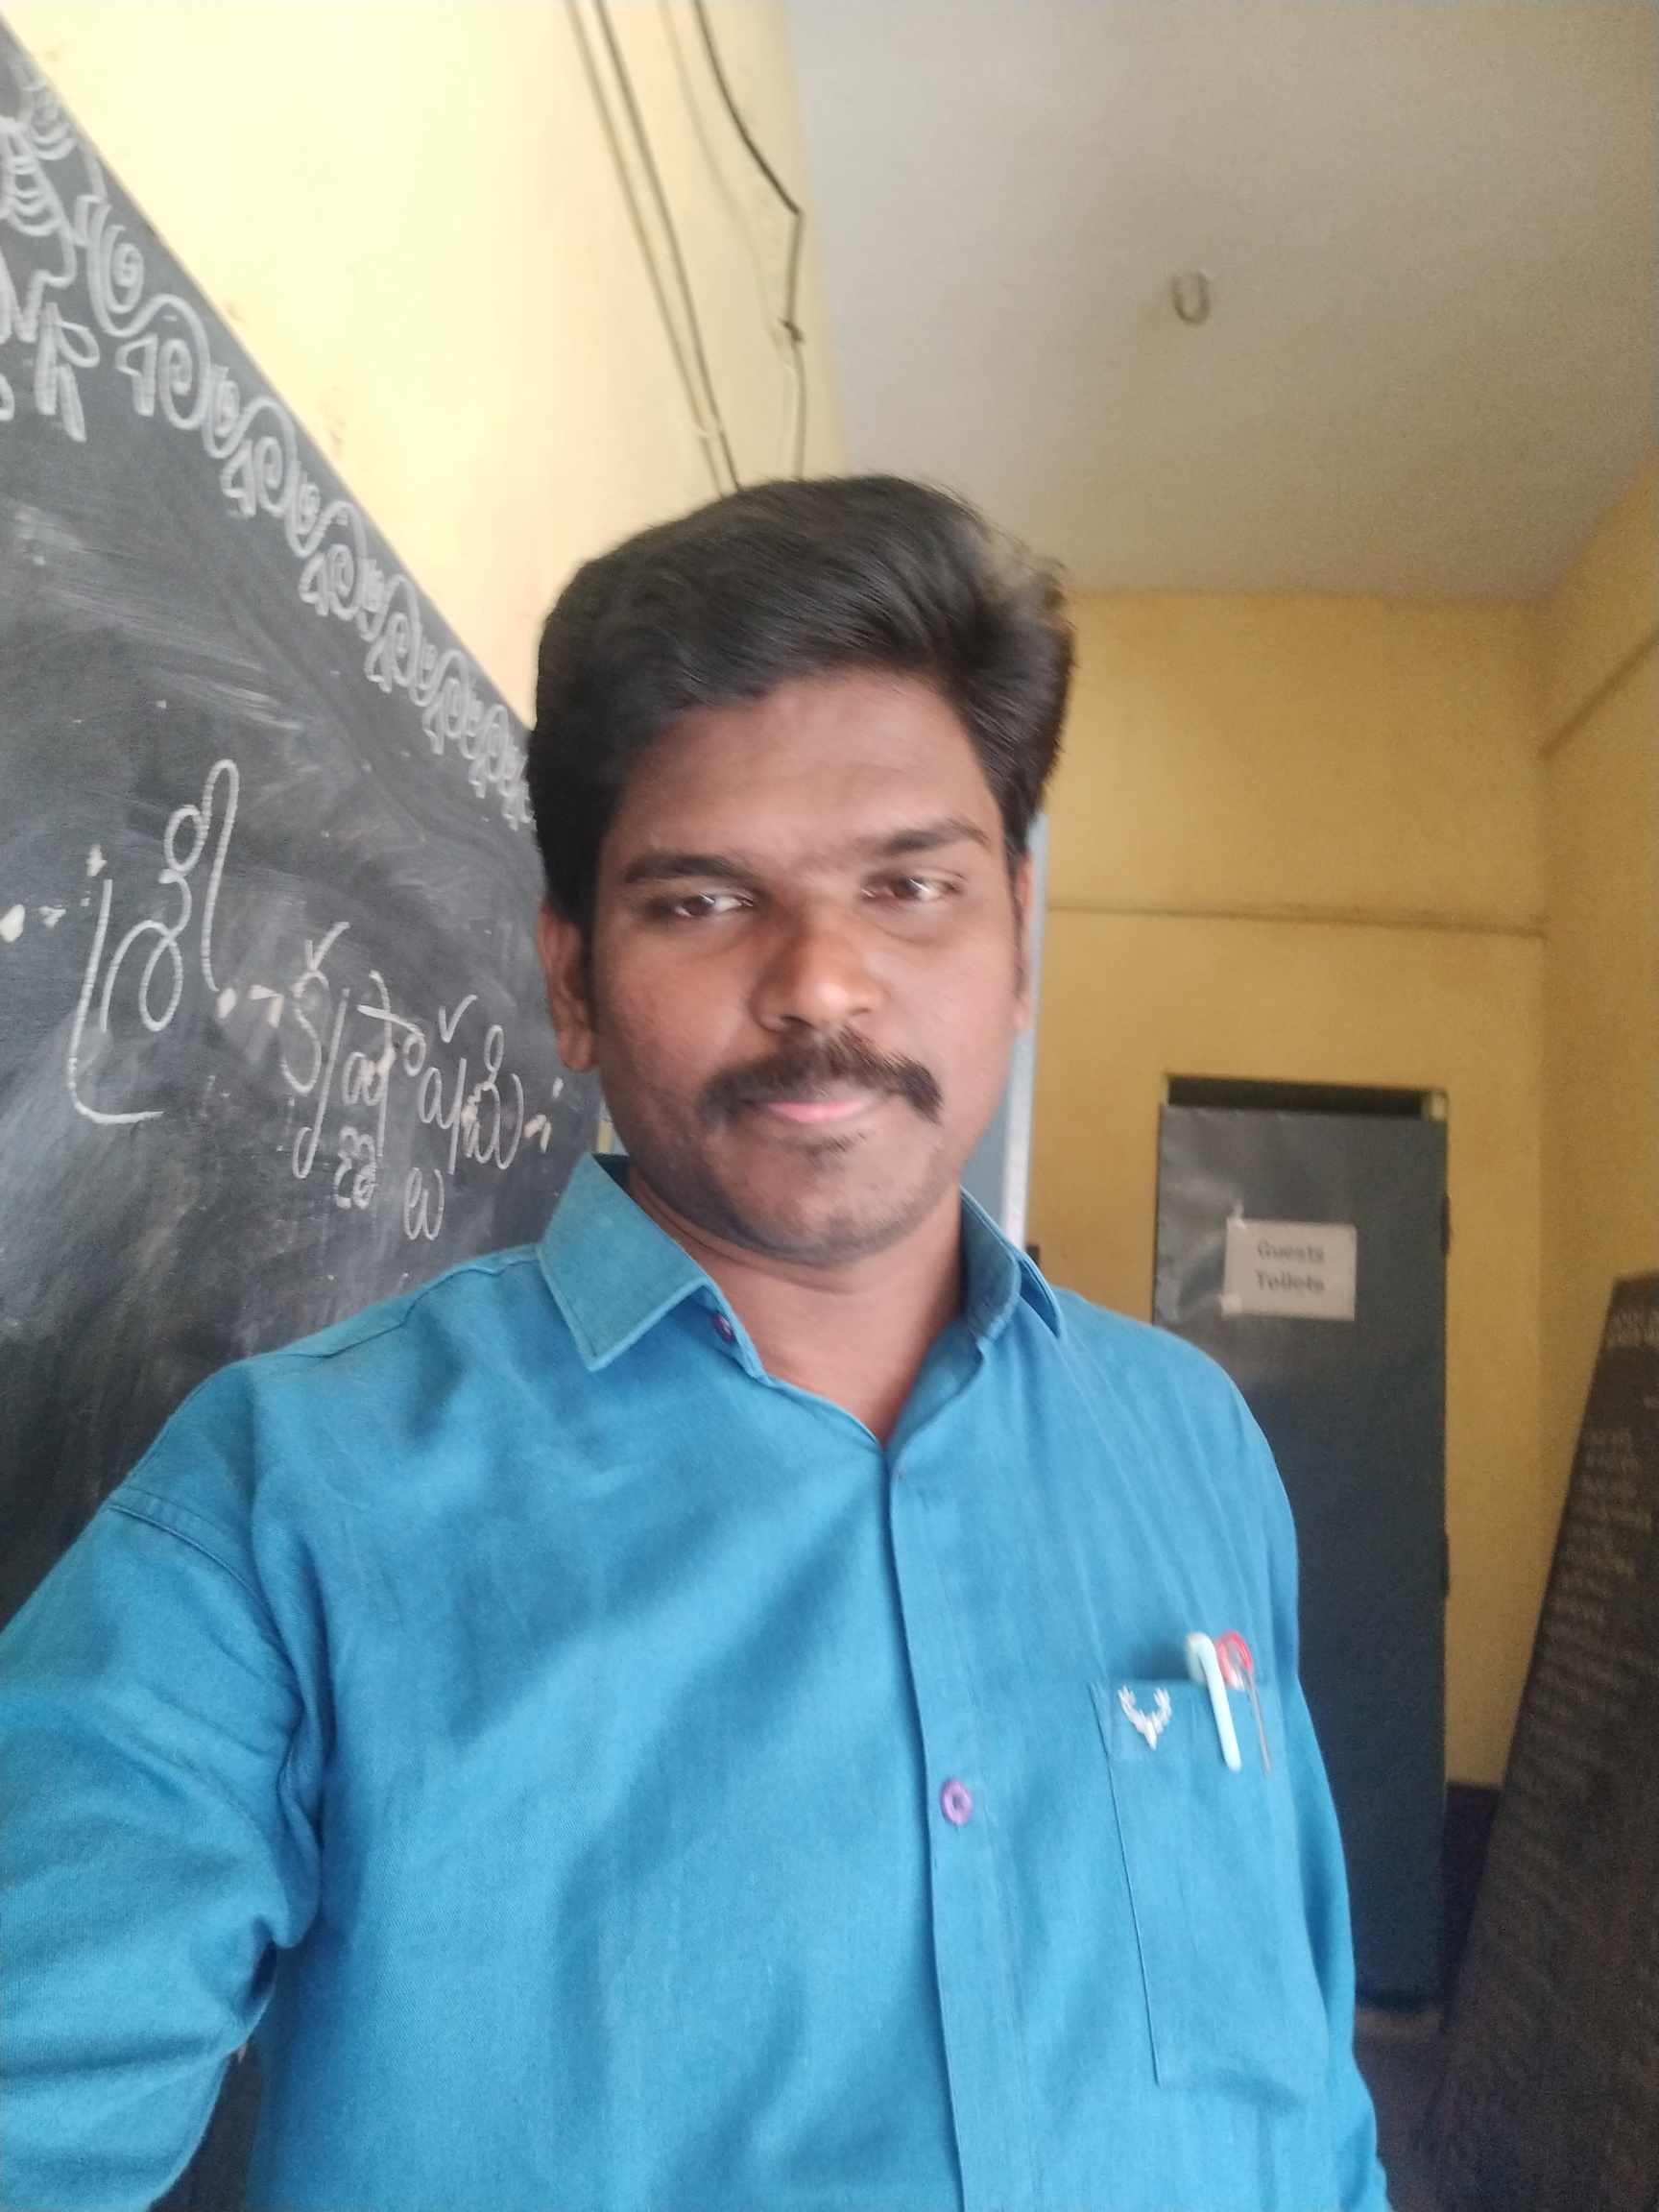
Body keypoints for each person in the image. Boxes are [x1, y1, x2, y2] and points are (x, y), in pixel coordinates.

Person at [0, 476, 1390, 2212]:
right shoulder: (290, 1506)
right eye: (703, 901)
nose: (821, 983)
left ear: (1018, 941)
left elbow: (1309, 2085)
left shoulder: (1192, 1443)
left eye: (911, 886)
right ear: (571, 980)